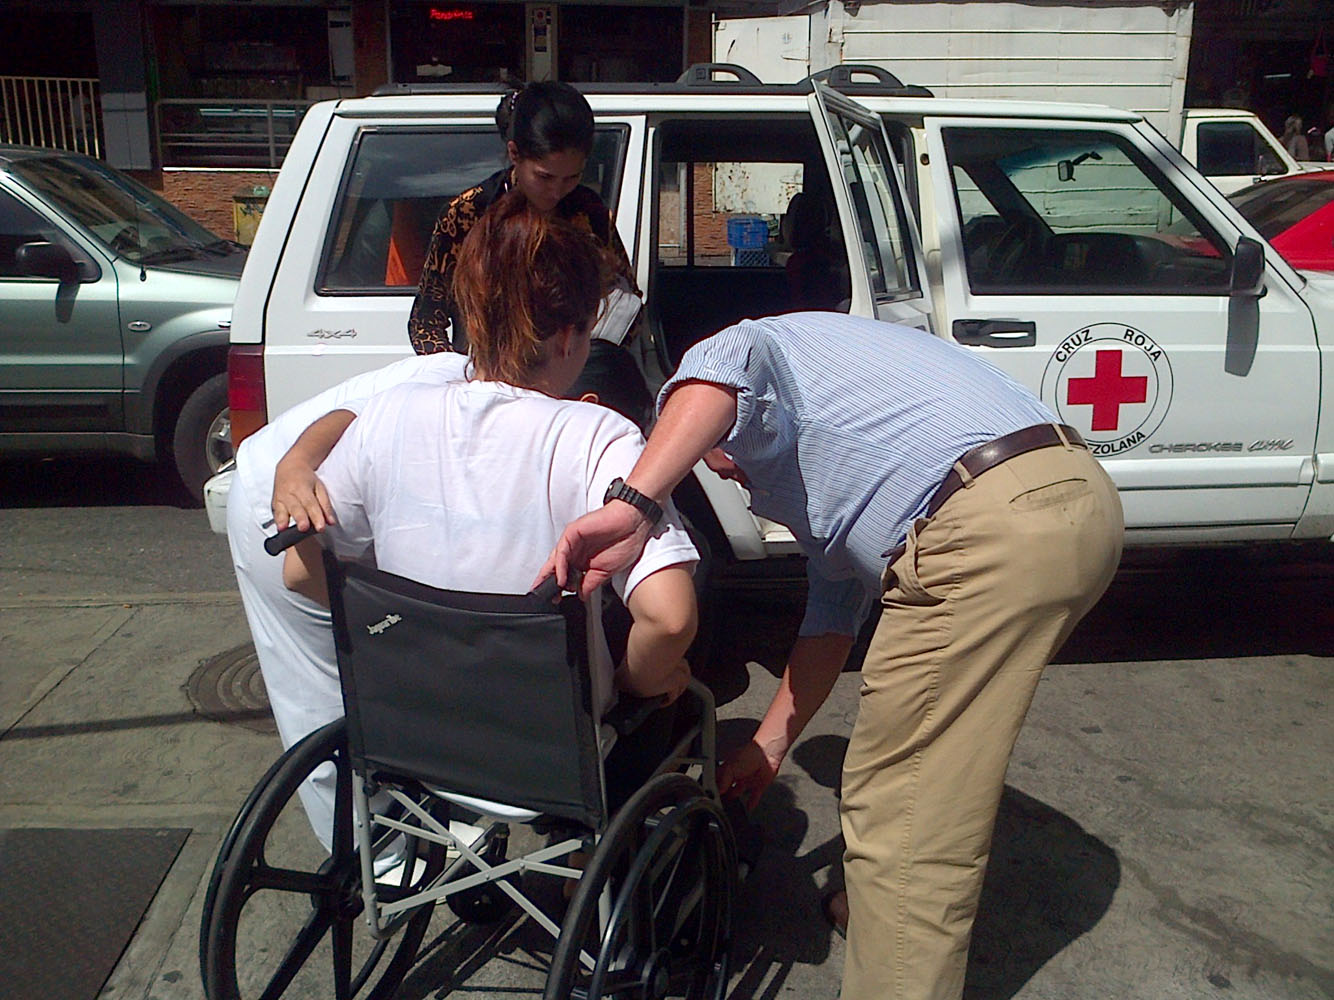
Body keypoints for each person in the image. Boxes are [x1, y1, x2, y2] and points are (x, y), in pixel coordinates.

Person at [540, 311, 1124, 1000]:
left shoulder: (731, 362)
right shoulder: (835, 445)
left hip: (979, 522)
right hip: (1070, 506)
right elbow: (830, 624)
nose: (723, 472)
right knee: (942, 767)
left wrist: (637, 501)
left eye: (714, 456)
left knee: (902, 816)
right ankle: (874, 913)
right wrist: (769, 746)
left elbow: (724, 371)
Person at [284, 191, 700, 809]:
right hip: (548, 750)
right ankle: (586, 869)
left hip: (411, 733)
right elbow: (669, 618)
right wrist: (643, 685)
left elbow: (298, 570)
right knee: (680, 699)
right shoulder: (595, 434)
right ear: (566, 337)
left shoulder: (389, 415)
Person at [226, 351, 468, 850]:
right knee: (323, 694)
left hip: (334, 507)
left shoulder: (479, 376)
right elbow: (346, 417)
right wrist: (293, 466)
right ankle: (375, 857)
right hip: (285, 504)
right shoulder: (453, 380)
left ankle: (401, 829)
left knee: (379, 672)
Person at [407, 80, 639, 355]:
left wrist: (597, 359)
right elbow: (425, 322)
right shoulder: (468, 214)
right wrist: (459, 379)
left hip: (570, 372)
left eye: (571, 178)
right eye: (544, 177)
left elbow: (628, 296)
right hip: (486, 374)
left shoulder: (589, 211)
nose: (556, 192)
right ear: (514, 153)